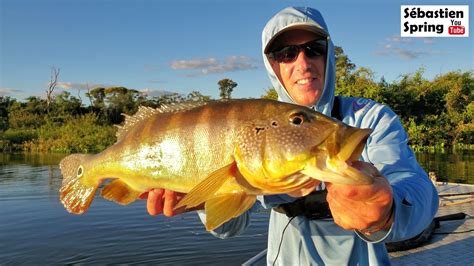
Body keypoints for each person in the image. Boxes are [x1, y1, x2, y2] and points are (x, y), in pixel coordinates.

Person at [142, 6, 439, 265]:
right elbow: (230, 228)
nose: (303, 63)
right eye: (286, 53)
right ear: (273, 65)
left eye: (314, 49)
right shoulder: (256, 128)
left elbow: (415, 187)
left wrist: (388, 208)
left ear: (328, 55)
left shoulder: (368, 118)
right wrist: (203, 199)